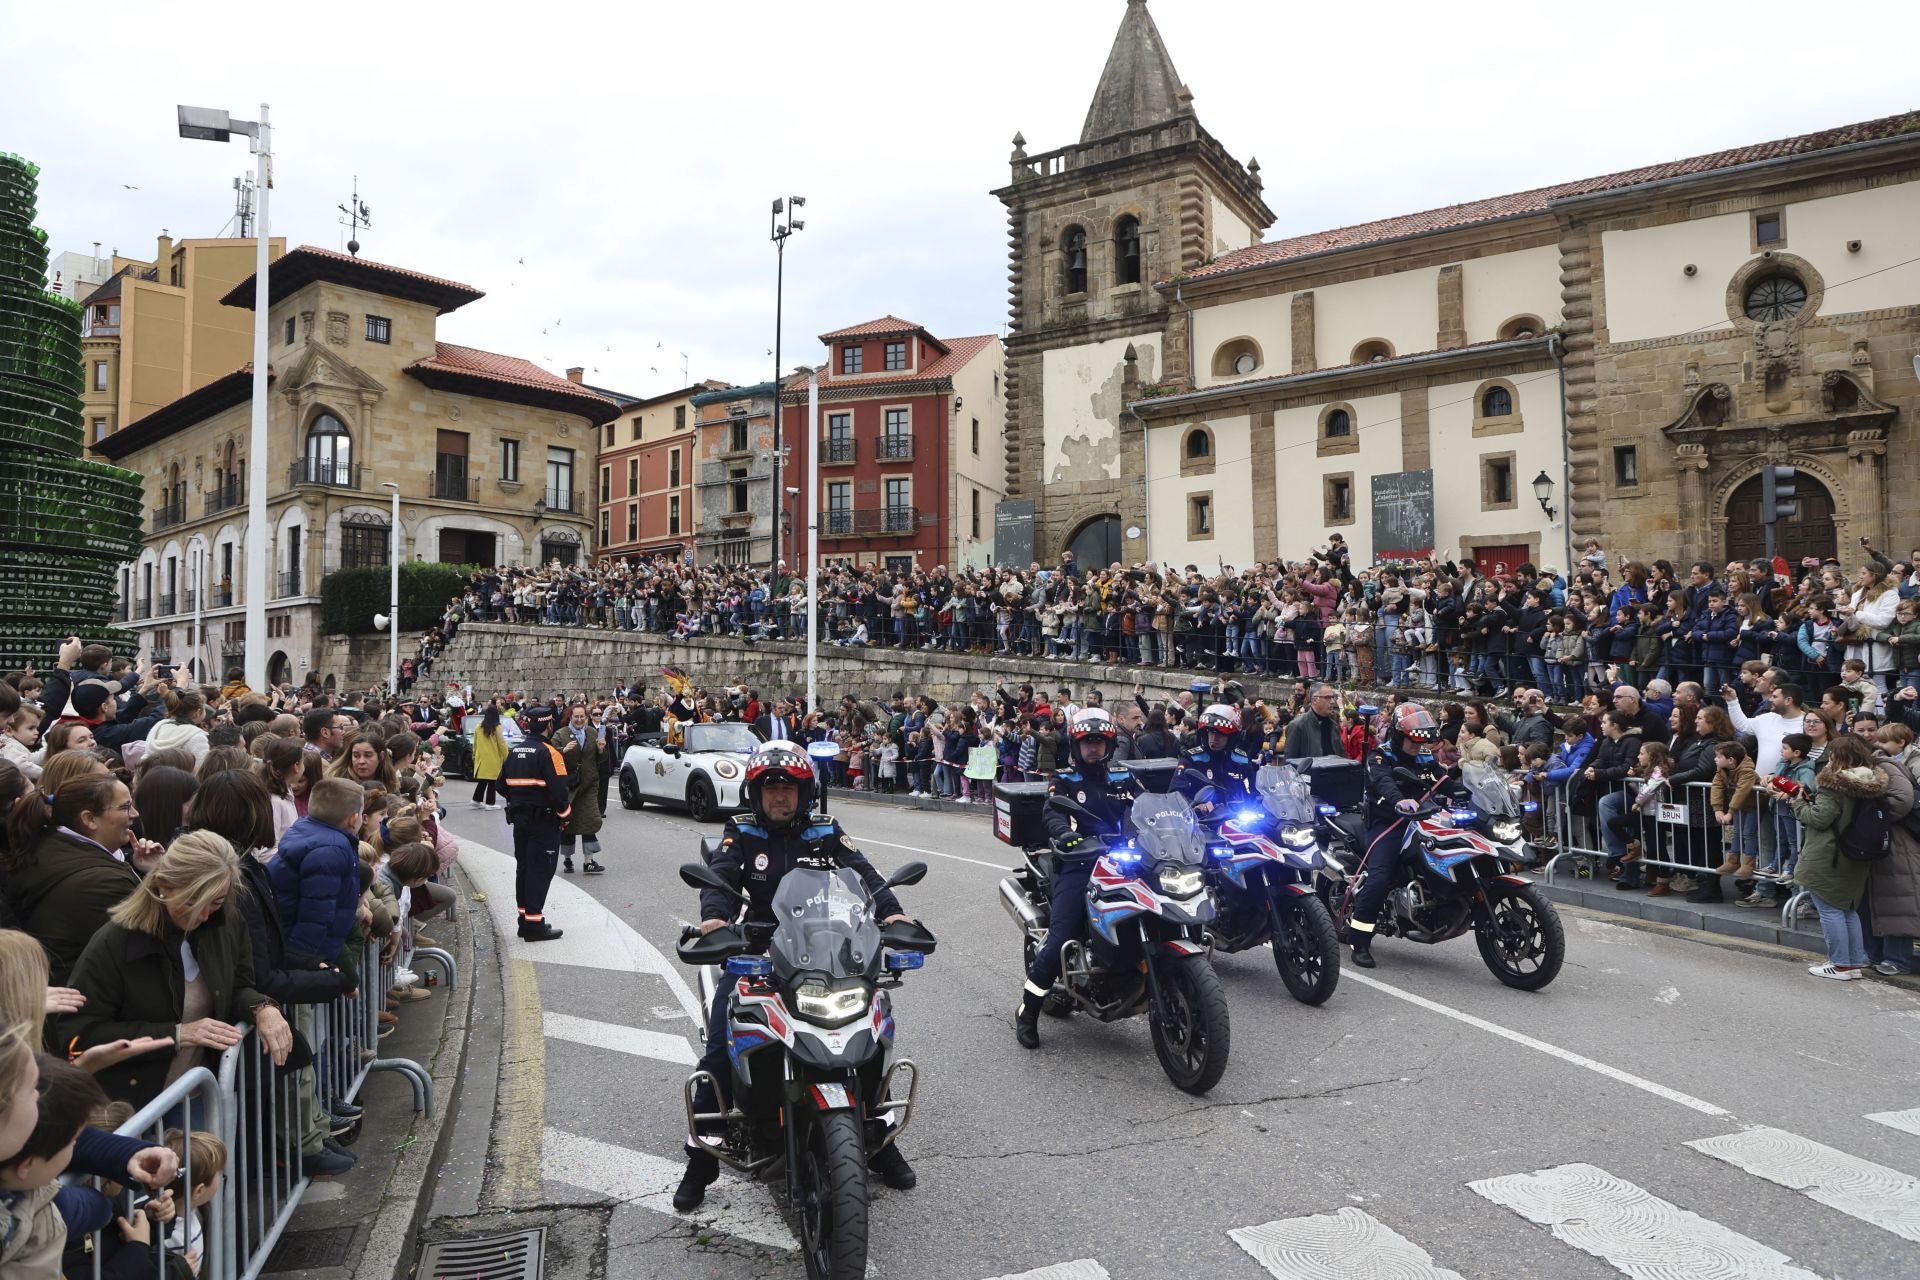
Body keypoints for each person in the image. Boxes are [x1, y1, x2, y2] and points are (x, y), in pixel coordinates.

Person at [676, 741, 916, 1211]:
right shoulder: (741, 830)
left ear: (805, 793)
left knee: (872, 1029)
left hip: (824, 948)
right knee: (722, 1045)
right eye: (771, 788)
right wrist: (716, 920)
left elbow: (863, 873)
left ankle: (880, 1138)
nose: (780, 796)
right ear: (755, 793)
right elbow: (721, 875)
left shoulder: (824, 829)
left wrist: (891, 913)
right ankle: (699, 1159)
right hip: (762, 948)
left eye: (789, 788)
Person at [56, 832, 293, 1110]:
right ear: (163, 885)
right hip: (130, 1107)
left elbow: (238, 986)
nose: (203, 915)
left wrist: (263, 1007)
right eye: (192, 901)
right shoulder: (115, 942)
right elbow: (78, 1036)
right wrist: (177, 1034)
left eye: (216, 901)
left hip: (197, 1096)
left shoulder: (226, 923)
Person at [1015, 708, 1141, 1047]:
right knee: (1061, 938)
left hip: (1122, 862)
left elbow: (1140, 808)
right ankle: (1027, 1011)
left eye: (1100, 742)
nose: (1094, 748)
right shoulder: (1066, 780)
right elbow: (1052, 812)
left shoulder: (1122, 777)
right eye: (1087, 742)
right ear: (1076, 745)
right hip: (1078, 863)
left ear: (1110, 744)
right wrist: (1064, 835)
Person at [4, 774, 152, 986]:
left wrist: (141, 868)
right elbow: (148, 946)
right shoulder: (105, 883)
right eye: (125, 807)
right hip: (85, 1005)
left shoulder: (49, 844)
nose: (135, 814)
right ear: (89, 819)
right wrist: (158, 875)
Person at [1344, 703, 1449, 969]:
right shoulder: (1381, 756)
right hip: (1387, 820)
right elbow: (1384, 782)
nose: (1416, 746)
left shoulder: (1424, 758)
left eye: (1420, 741)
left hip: (1423, 819)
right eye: (1411, 740)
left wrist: (1470, 792)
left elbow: (1442, 780)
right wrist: (1400, 801)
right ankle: (1360, 941)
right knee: (1380, 877)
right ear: (1399, 735)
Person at [1791, 733, 1887, 980]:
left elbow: (1820, 819)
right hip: (1855, 854)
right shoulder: (1869, 783)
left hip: (1828, 854)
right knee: (1847, 910)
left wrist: (1798, 803)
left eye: (1831, 753)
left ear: (1839, 757)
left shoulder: (1834, 785)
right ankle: (1853, 962)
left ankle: (1840, 964)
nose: (1828, 758)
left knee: (1830, 910)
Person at [498, 705, 570, 941]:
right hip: (544, 822)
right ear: (549, 725)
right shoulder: (549, 752)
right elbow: (560, 793)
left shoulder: (514, 751)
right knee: (540, 871)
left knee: (525, 869)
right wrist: (565, 817)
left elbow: (501, 785)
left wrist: (519, 800)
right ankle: (534, 924)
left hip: (520, 821)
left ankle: (525, 921)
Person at [1180, 703, 1258, 814]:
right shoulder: (1192, 758)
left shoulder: (1241, 759)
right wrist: (1194, 806)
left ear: (1232, 737)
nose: (1214, 738)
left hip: (1237, 817)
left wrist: (1258, 803)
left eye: (1220, 734)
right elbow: (1176, 792)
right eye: (1211, 732)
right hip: (1203, 820)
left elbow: (1253, 789)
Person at [556, 705, 606, 876]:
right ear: (570, 717)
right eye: (575, 717)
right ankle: (567, 858)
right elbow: (550, 755)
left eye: (582, 717)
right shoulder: (561, 734)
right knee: (568, 824)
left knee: (590, 821)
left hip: (589, 785)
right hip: (569, 786)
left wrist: (601, 749)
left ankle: (589, 861)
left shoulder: (593, 733)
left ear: (586, 717)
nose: (579, 720)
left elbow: (602, 758)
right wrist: (563, 750)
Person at [1282, 685, 1342, 759]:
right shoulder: (1297, 726)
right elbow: (1290, 761)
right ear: (1314, 700)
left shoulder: (1334, 725)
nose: (1332, 702)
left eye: (1333, 697)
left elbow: (1340, 755)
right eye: (1327, 698)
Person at [470, 704, 508, 809]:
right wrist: (507, 757)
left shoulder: (478, 726)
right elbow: (502, 744)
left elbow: (475, 743)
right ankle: (490, 803)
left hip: (481, 758)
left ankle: (476, 800)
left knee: (483, 780)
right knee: (492, 781)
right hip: (493, 758)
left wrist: (474, 755)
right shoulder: (497, 727)